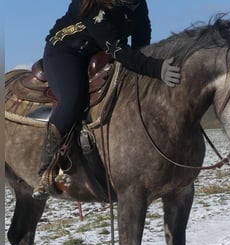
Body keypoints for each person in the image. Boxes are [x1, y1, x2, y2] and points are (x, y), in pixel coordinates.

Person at [32, 0, 181, 200]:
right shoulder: (93, 5)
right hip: (66, 52)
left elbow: (141, 37)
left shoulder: (137, 3)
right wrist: (156, 68)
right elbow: (117, 49)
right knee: (72, 98)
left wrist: (147, 62)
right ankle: (47, 169)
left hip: (99, 51)